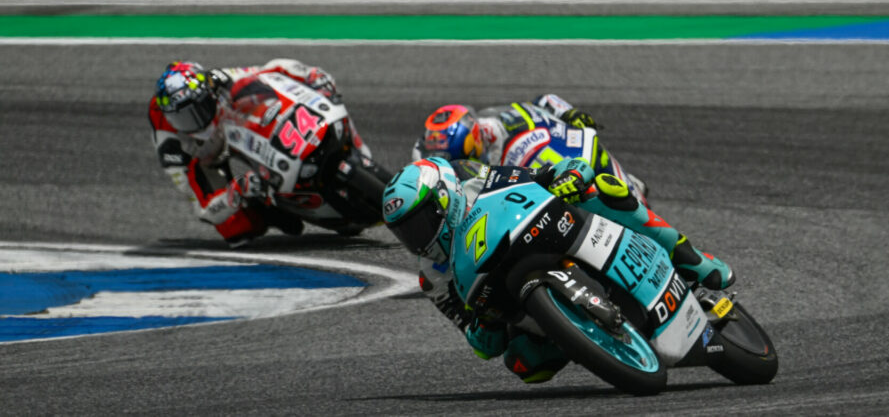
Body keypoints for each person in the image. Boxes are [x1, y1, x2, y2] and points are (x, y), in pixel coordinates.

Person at [382, 155, 733, 385]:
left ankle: (690, 258)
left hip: (548, 230)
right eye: (406, 232)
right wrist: (484, 323)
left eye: (421, 221)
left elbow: (540, 174)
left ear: (445, 197)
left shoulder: (472, 178)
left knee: (603, 189)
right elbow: (478, 342)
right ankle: (593, 341)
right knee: (525, 365)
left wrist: (567, 177)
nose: (418, 237)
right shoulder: (432, 277)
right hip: (513, 298)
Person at [148, 58, 386, 246]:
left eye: (195, 112)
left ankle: (338, 155)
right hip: (198, 153)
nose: (191, 121)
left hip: (227, 128)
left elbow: (271, 72)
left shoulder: (218, 81)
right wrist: (236, 191)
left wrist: (313, 78)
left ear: (209, 94)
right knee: (236, 230)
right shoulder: (169, 139)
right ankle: (268, 207)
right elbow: (199, 204)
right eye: (181, 117)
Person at [412, 94, 649, 198]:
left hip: (573, 154)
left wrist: (568, 112)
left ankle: (627, 181)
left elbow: (544, 99)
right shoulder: (439, 160)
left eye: (460, 155)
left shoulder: (497, 126)